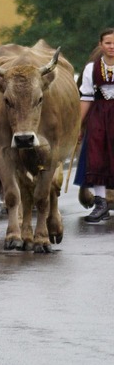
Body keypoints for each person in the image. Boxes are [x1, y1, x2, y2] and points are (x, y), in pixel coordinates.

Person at [78, 26, 114, 223]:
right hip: (99, 116)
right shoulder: (92, 69)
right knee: (97, 157)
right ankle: (101, 203)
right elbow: (86, 97)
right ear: (101, 45)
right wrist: (78, 124)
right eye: (108, 43)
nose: (111, 47)